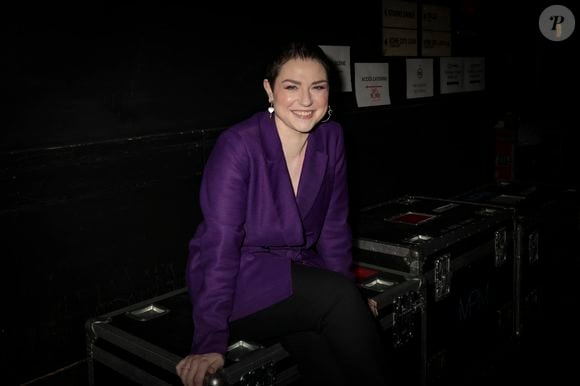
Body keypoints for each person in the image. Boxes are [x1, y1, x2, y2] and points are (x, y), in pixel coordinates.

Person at [176, 41, 389, 386]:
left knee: (330, 361)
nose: (306, 100)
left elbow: (334, 227)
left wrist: (349, 294)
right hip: (237, 280)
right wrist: (209, 340)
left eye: (317, 88)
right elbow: (220, 243)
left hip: (294, 273)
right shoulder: (238, 145)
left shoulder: (331, 138)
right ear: (269, 90)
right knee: (338, 299)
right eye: (291, 87)